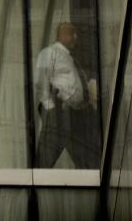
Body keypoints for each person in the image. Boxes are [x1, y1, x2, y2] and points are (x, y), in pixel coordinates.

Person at [34, 22, 100, 168]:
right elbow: (40, 81)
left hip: (74, 115)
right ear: (60, 35)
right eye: (71, 33)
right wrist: (51, 108)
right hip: (59, 112)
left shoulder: (69, 57)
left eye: (75, 33)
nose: (75, 37)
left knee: (86, 160)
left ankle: (91, 185)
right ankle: (33, 187)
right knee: (45, 159)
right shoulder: (49, 52)